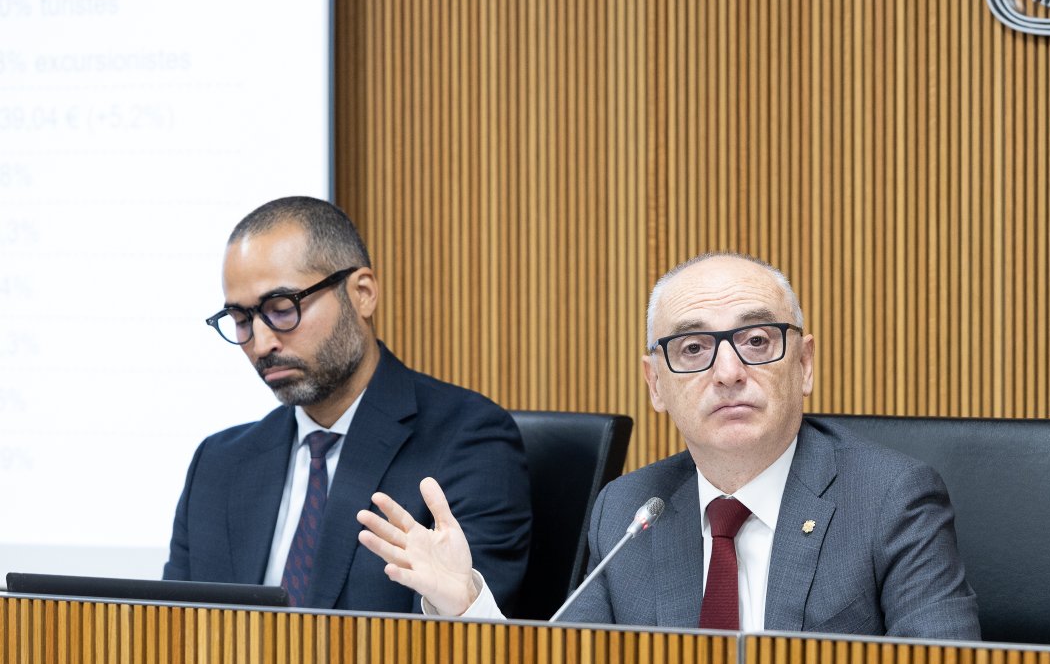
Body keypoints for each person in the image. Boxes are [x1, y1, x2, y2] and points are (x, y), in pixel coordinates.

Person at [356, 252, 979, 638]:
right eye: (692, 349)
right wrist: (466, 601)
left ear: (806, 364)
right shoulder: (633, 508)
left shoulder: (890, 499)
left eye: (758, 341)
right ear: (656, 384)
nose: (730, 371)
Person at [164, 196, 531, 614]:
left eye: (282, 310)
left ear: (362, 293)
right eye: (242, 321)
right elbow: (175, 632)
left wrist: (458, 603)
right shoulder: (220, 463)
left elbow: (475, 642)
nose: (262, 343)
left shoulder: (469, 442)